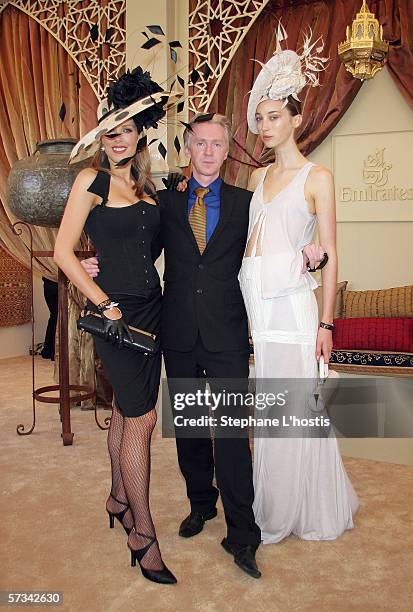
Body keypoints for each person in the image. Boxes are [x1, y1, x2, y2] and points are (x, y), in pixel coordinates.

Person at [82, 112, 324, 578]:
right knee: (191, 427)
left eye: (217, 144)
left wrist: (307, 255)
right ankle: (200, 505)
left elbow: (270, 248)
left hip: (227, 331)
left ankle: (242, 535)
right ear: (188, 148)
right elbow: (137, 251)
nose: (209, 152)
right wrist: (99, 265)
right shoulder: (165, 203)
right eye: (201, 144)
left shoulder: (246, 203)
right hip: (176, 330)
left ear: (226, 150)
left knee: (232, 435)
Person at [54, 67, 177, 585]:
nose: (117, 138)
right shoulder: (91, 180)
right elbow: (63, 252)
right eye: (109, 129)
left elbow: (144, 251)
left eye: (125, 129)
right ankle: (142, 531)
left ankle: (117, 497)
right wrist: (102, 299)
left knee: (130, 418)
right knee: (143, 419)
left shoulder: (148, 186)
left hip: (153, 309)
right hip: (117, 316)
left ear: (140, 133)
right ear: (101, 137)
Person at [238, 27, 359, 543]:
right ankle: (272, 504)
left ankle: (298, 509)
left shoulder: (318, 177)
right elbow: (248, 247)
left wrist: (327, 323)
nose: (265, 126)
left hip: (294, 311)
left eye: (274, 116)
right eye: (260, 118)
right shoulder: (254, 181)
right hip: (260, 313)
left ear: (295, 118)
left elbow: (329, 256)